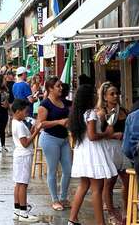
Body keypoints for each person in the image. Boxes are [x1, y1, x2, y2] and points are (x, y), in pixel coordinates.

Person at [68, 84, 117, 225]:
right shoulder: (91, 113)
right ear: (89, 97)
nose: (97, 96)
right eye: (95, 94)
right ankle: (100, 223)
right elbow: (92, 136)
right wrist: (107, 133)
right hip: (92, 152)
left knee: (83, 185)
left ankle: (72, 219)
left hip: (83, 152)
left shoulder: (77, 113)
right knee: (97, 188)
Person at [96, 82, 130, 223]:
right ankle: (110, 212)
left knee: (128, 181)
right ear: (104, 96)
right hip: (109, 149)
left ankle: (126, 209)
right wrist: (113, 135)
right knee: (109, 182)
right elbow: (97, 134)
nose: (115, 96)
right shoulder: (102, 113)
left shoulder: (123, 111)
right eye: (112, 94)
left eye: (117, 93)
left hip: (123, 149)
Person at [37, 76, 71, 211]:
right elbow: (41, 124)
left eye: (61, 86)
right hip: (50, 139)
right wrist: (59, 122)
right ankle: (55, 199)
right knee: (53, 170)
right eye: (58, 86)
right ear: (50, 89)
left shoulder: (64, 102)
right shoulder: (45, 104)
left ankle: (63, 197)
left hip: (64, 139)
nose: (61, 88)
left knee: (68, 170)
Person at [12, 99, 41, 222]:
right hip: (24, 155)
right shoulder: (19, 124)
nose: (27, 114)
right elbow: (25, 143)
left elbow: (25, 137)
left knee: (18, 183)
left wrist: (33, 130)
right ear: (18, 111)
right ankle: (23, 213)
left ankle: (17, 210)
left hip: (19, 155)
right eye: (25, 112)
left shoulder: (16, 122)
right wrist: (36, 133)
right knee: (23, 184)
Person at [5, 70, 15, 137]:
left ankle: (10, 131)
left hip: (12, 101)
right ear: (8, 75)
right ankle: (6, 131)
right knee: (6, 117)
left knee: (11, 117)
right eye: (12, 75)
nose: (13, 76)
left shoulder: (14, 83)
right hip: (6, 101)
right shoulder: (4, 83)